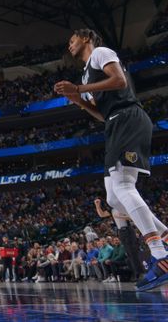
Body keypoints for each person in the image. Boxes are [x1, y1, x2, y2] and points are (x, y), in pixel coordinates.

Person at [54, 28, 168, 291]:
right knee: (114, 198)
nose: (69, 44)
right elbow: (103, 114)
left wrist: (80, 88)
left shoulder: (100, 53)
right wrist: (78, 99)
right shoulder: (85, 73)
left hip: (128, 117)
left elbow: (119, 81)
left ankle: (160, 255)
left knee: (124, 186)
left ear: (85, 38)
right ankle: (163, 237)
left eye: (72, 39)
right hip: (115, 123)